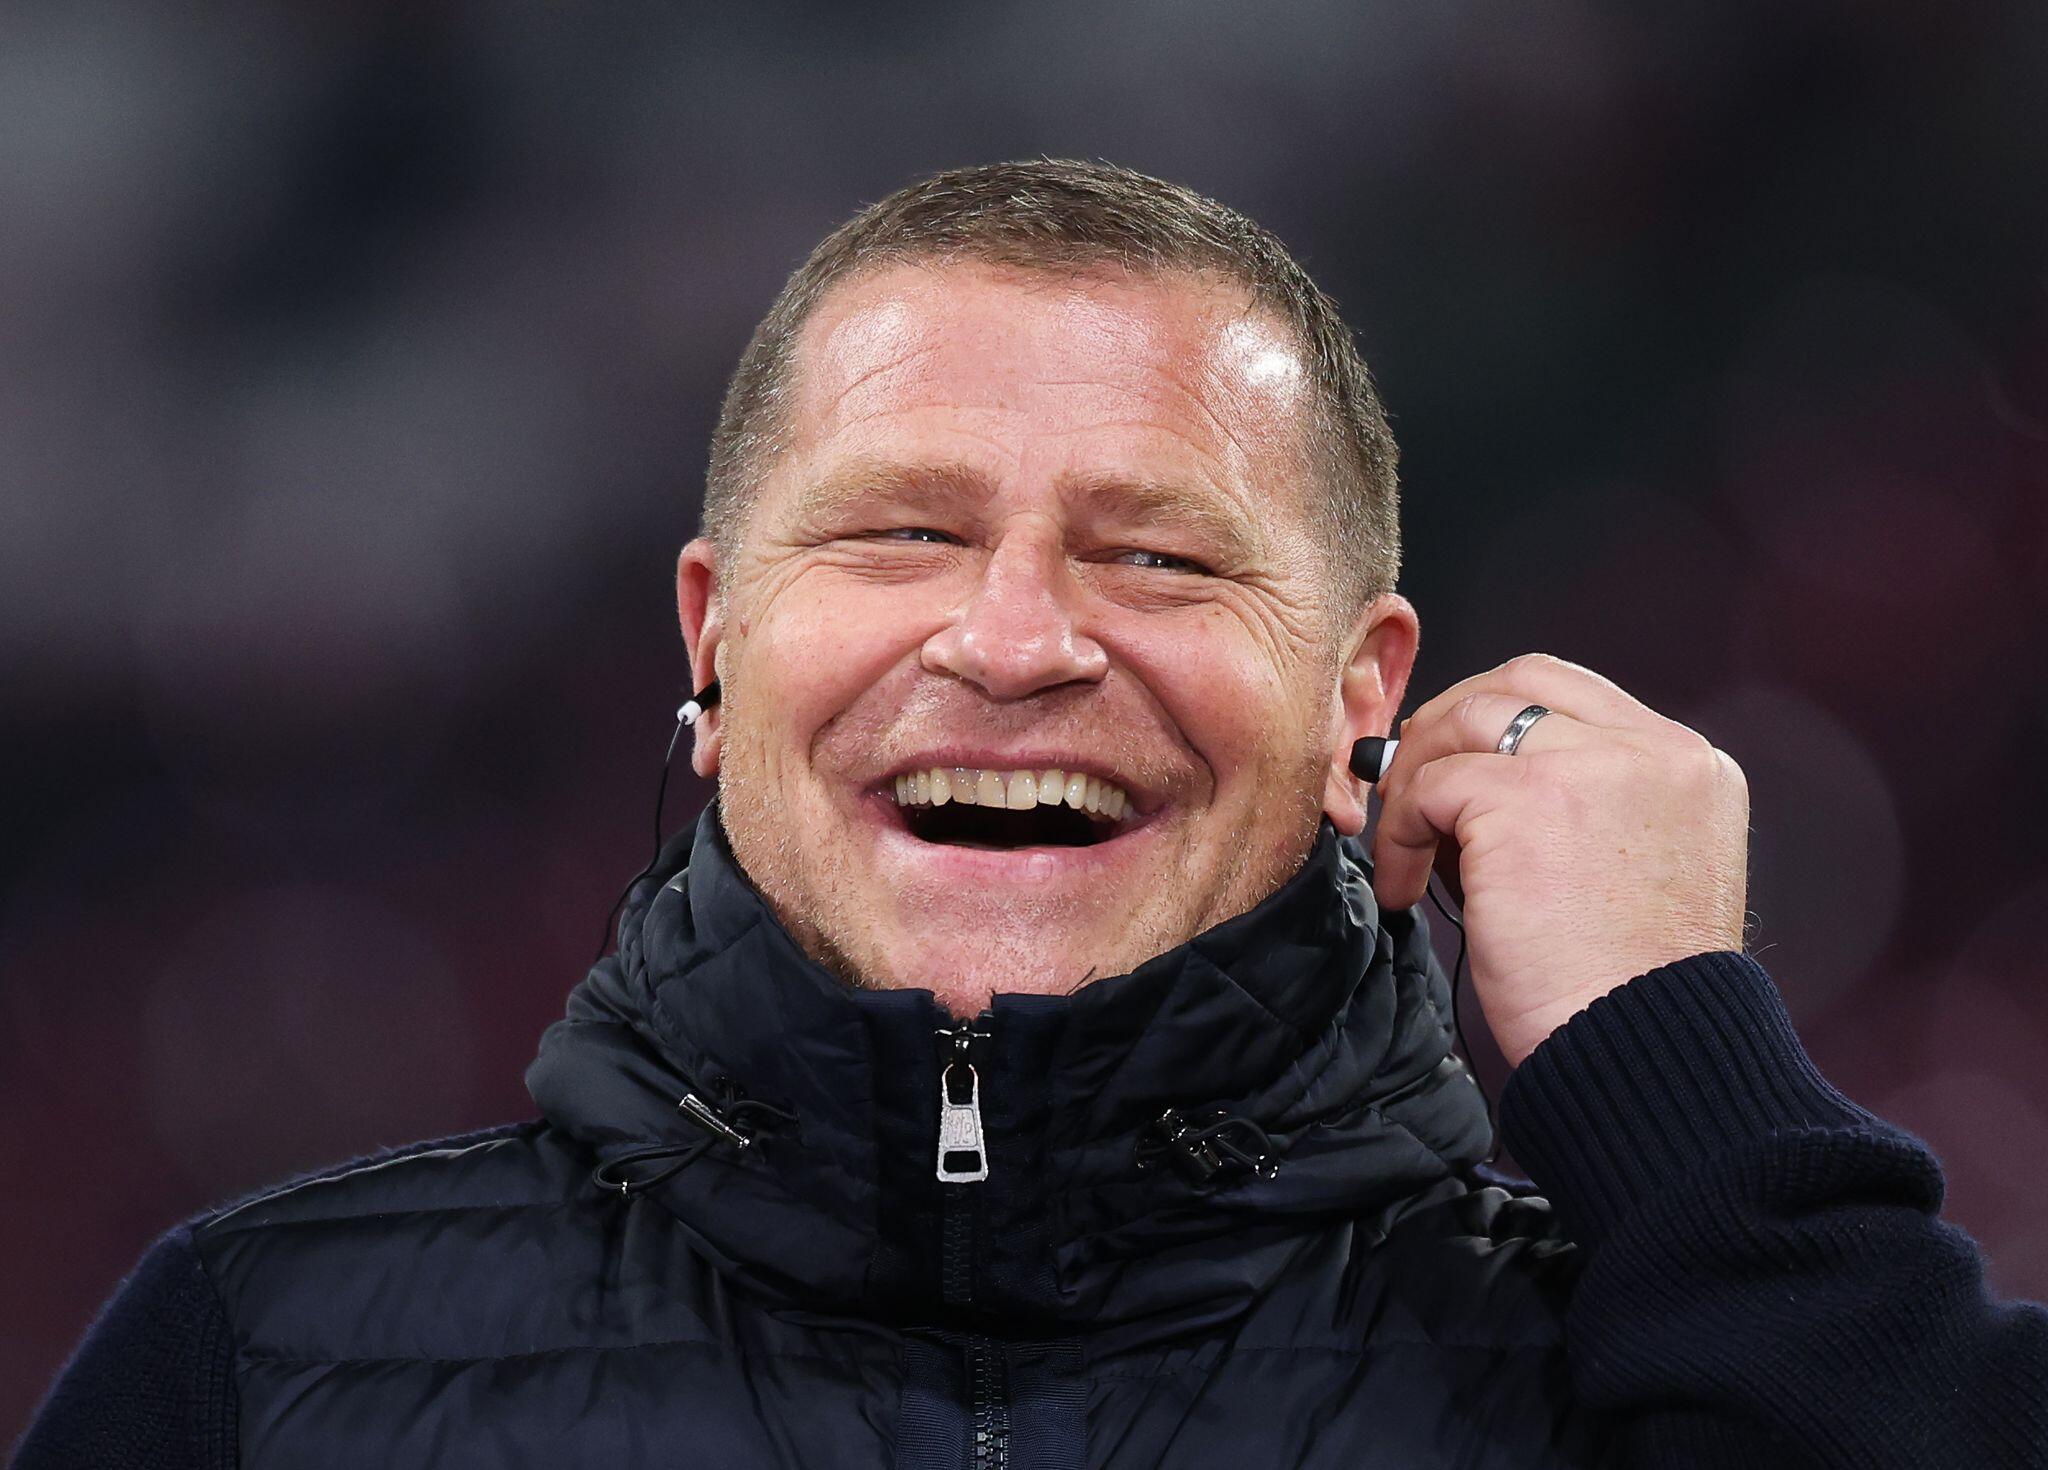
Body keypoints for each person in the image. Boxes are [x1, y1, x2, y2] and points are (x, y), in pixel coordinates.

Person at [14, 158, 2046, 1470]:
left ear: (1361, 695)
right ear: (716, 644)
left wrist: (1684, 1081)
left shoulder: (1671, 1371)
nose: (1011, 641)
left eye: (1160, 555)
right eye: (900, 532)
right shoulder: (261, 1366)